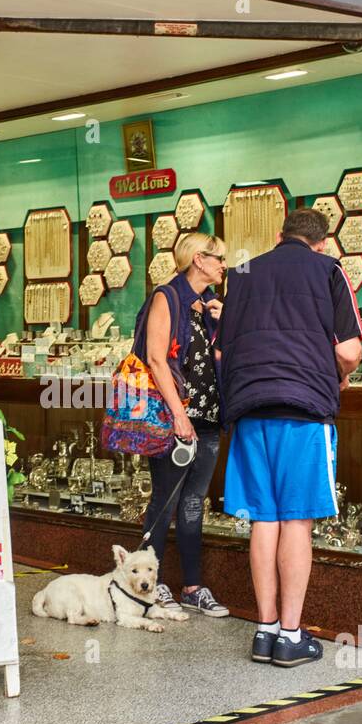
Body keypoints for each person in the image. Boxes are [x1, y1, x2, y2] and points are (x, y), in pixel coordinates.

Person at [215, 208, 362, 666]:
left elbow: (222, 346)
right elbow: (349, 349)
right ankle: (291, 635)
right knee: (297, 519)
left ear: (280, 236)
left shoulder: (241, 273)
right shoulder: (330, 270)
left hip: (249, 408)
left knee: (264, 518)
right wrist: (338, 375)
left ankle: (263, 632)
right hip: (303, 411)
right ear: (321, 243)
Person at [139, 232, 229, 617]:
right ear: (198, 259)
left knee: (195, 502)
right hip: (174, 418)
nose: (224, 265)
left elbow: (215, 360)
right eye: (219, 257)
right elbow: (156, 359)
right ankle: (150, 585)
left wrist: (225, 325)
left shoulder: (206, 306)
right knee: (166, 500)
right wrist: (178, 415)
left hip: (207, 419)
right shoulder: (168, 297)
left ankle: (192, 586)